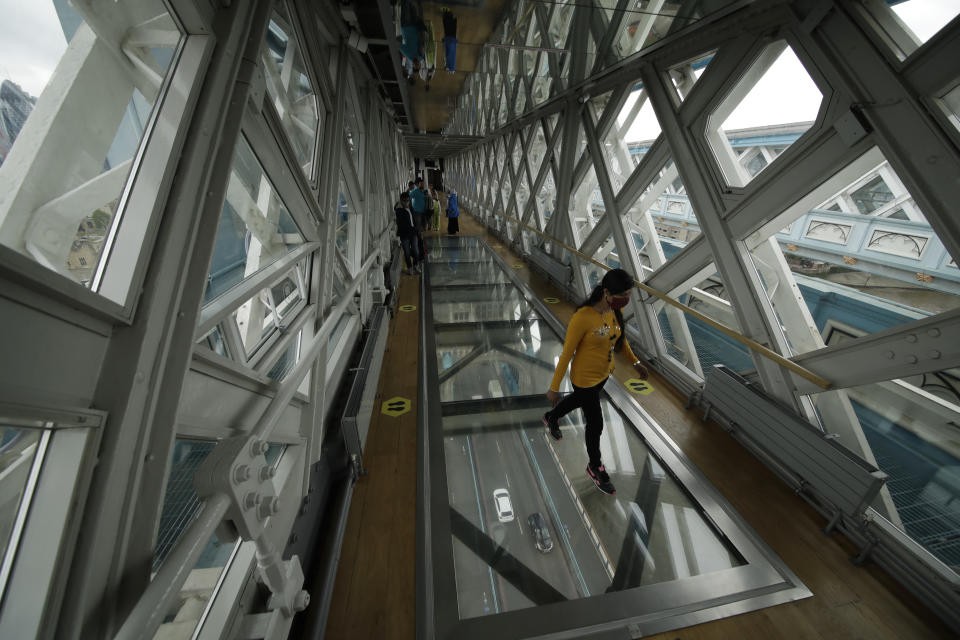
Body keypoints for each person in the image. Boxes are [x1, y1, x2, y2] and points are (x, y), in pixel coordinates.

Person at [543, 269, 649, 495]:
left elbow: (620, 339)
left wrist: (635, 362)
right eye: (623, 294)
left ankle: (551, 417)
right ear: (607, 292)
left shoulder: (613, 311)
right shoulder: (583, 317)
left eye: (629, 294)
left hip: (603, 375)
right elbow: (566, 354)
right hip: (584, 379)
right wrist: (553, 387)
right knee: (596, 423)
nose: (626, 299)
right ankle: (594, 466)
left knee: (576, 401)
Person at [394, 191, 420, 275]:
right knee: (407, 252)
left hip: (413, 232)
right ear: (401, 201)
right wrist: (398, 206)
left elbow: (414, 219)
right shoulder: (399, 211)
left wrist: (417, 230)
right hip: (405, 234)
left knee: (416, 250)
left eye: (408, 200)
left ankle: (416, 265)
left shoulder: (410, 207)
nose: (407, 202)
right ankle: (409, 268)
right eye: (405, 201)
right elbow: (400, 221)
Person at [441, 7, 457, 73]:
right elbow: (445, 51)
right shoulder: (446, 60)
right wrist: (443, 42)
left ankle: (450, 15)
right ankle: (446, 13)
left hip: (453, 42)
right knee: (447, 27)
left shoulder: (453, 63)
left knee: (452, 28)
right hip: (448, 41)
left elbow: (454, 52)